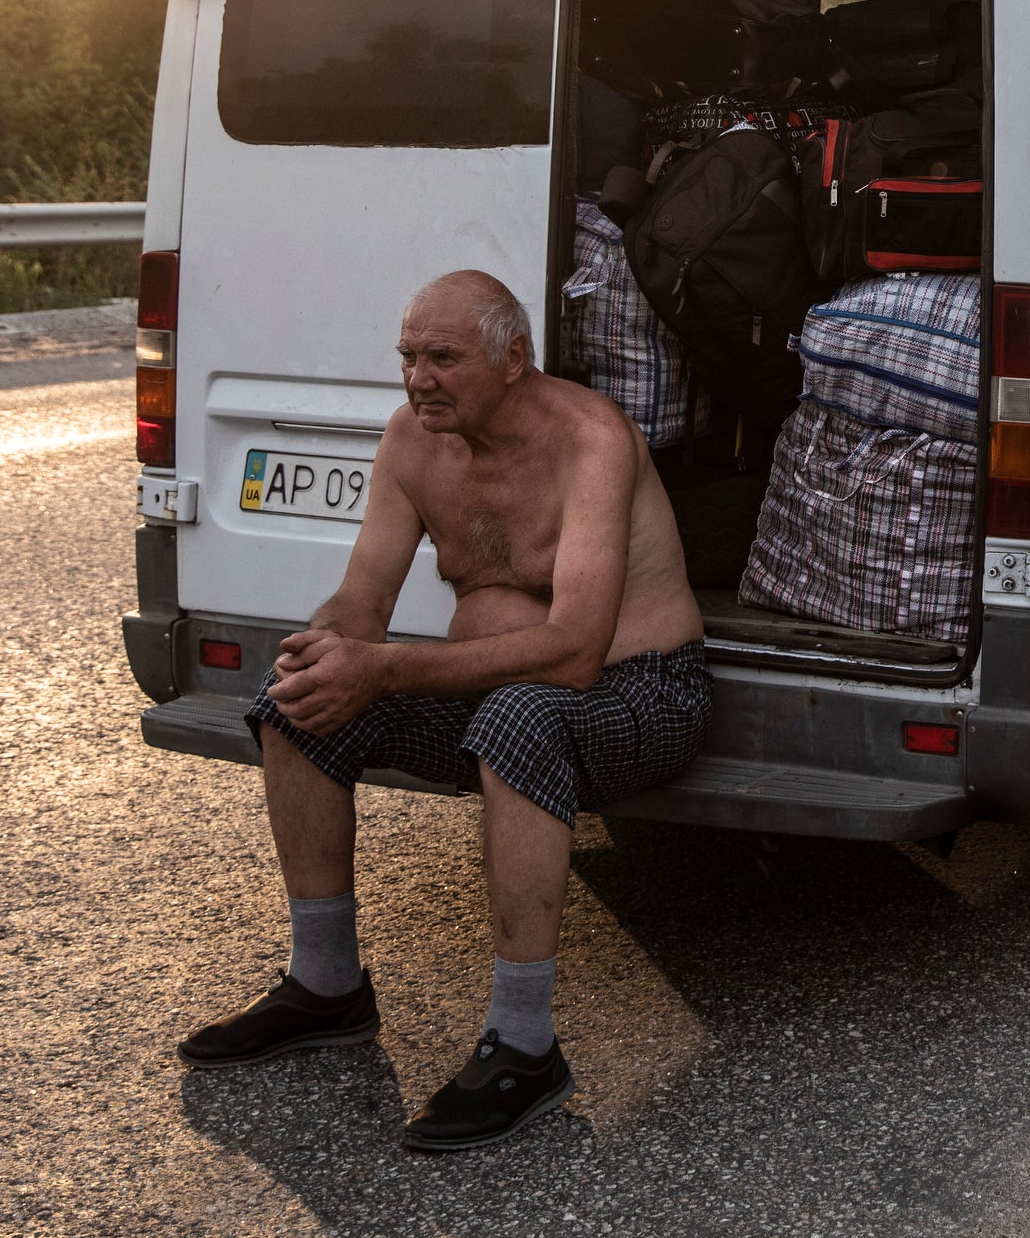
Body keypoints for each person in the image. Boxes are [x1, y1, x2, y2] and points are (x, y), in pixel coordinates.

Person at [178, 271, 712, 1152]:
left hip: (639, 693)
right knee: (293, 707)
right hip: (488, 692)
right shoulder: (411, 440)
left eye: (443, 359)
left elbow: (577, 649)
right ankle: (324, 985)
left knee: (520, 719)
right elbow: (362, 598)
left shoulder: (591, 440)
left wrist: (382, 671)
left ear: (513, 359)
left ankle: (525, 1047)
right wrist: (328, 649)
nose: (419, 379)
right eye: (409, 358)